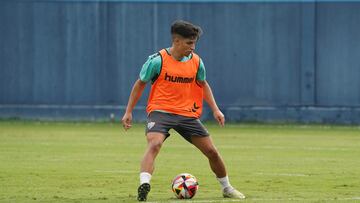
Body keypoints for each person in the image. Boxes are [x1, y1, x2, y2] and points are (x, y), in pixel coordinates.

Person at [121, 20, 245, 201]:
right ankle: (144, 184)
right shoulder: (157, 60)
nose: (193, 47)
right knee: (154, 144)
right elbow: (140, 84)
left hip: (187, 114)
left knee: (212, 152)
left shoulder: (196, 62)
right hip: (160, 111)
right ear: (177, 41)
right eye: (189, 43)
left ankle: (227, 188)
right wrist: (128, 111)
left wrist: (216, 109)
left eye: (194, 43)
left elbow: (203, 84)